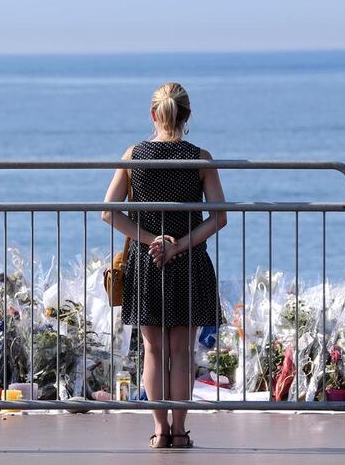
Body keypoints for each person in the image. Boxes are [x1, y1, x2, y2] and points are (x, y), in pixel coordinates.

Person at [102, 82, 227, 449]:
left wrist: (151, 241)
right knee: (182, 352)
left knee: (153, 350)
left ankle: (159, 430)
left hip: (146, 262)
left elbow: (109, 212)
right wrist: (179, 244)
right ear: (187, 116)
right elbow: (219, 217)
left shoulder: (134, 155)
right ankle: (180, 429)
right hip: (189, 261)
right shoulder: (201, 158)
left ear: (154, 114)